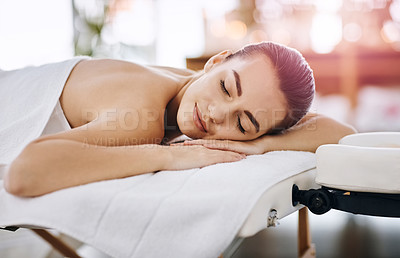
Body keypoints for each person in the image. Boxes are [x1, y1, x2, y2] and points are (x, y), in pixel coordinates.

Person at [3, 41, 356, 197]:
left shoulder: (181, 84)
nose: (217, 114)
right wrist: (170, 156)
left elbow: (341, 132)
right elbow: (24, 173)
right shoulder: (143, 117)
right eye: (225, 87)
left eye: (244, 123)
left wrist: (262, 143)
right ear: (216, 61)